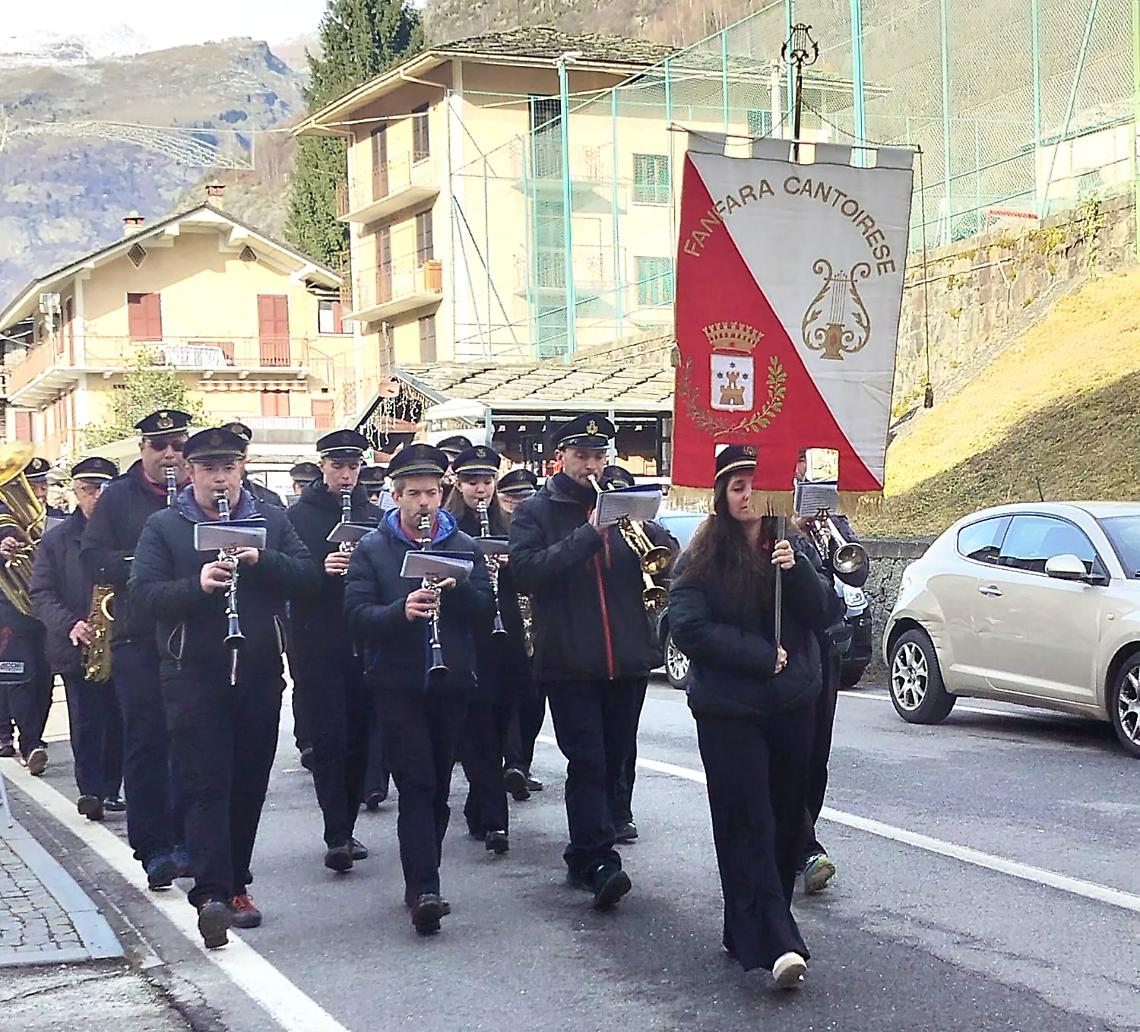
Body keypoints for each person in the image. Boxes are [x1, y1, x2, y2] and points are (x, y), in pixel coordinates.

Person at [130, 426, 319, 949]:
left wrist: (264, 560)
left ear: (242, 469)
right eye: (209, 469)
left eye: (229, 467)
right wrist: (198, 585)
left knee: (249, 782)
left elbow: (308, 578)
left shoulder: (269, 519)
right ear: (191, 472)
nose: (220, 478)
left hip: (258, 672)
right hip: (193, 674)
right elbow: (143, 595)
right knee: (206, 782)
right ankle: (212, 893)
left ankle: (236, 882)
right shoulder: (165, 526)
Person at [667, 445, 834, 988]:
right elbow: (688, 627)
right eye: (736, 485)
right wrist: (758, 656)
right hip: (729, 710)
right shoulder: (701, 557)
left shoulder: (791, 545)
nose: (746, 495)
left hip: (790, 704)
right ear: (721, 494)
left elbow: (826, 614)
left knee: (789, 819)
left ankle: (747, 923)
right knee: (748, 821)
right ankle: (777, 940)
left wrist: (799, 569)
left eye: (754, 485)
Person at [344, 443, 493, 935]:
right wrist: (400, 612)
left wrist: (459, 589)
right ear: (396, 496)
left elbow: (486, 612)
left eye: (431, 493)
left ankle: (424, 876)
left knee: (439, 790)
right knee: (416, 782)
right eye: (413, 494)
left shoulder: (464, 547)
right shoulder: (373, 549)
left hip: (451, 680)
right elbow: (355, 616)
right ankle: (424, 887)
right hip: (397, 682)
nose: (424, 503)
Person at [508, 415, 654, 910]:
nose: (592, 466)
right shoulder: (535, 511)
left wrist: (661, 549)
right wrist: (590, 534)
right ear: (561, 458)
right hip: (569, 659)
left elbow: (656, 562)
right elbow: (526, 573)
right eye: (582, 456)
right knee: (587, 759)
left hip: (627, 657)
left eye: (599, 456)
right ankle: (597, 860)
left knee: (615, 759)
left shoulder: (623, 506)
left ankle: (582, 851)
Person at [81, 409, 192, 890]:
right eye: (159, 446)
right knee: (147, 741)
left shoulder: (197, 496)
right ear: (143, 450)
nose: (169, 454)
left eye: (177, 446)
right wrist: (141, 565)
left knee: (190, 741)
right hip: (137, 636)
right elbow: (91, 556)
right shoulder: (117, 500)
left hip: (190, 635)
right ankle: (154, 847)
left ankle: (188, 836)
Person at [287, 430, 382, 872]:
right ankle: (336, 832)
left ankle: (349, 816)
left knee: (362, 734)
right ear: (322, 466)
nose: (346, 475)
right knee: (330, 737)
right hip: (316, 639)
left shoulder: (374, 515)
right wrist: (320, 570)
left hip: (365, 638)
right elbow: (285, 576)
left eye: (353, 467)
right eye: (338, 467)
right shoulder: (297, 517)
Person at [444, 445, 530, 853]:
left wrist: (510, 567)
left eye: (487, 482)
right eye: (472, 482)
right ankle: (497, 820)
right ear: (458, 485)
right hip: (465, 635)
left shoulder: (512, 524)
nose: (480, 490)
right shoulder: (446, 528)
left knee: (498, 726)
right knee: (475, 730)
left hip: (505, 635)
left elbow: (531, 576)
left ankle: (479, 804)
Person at [30, 457, 123, 820]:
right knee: (86, 721)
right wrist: (71, 624)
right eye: (87, 489)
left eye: (102, 489)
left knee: (122, 719)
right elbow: (41, 593)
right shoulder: (56, 540)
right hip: (76, 644)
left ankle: (113, 788)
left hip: (122, 640)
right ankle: (91, 791)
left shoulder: (126, 534)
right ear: (75, 491)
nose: (96, 497)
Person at [791, 453, 867, 895]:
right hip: (786, 647)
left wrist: (826, 534)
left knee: (817, 753)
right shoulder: (762, 510)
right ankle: (803, 847)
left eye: (801, 460)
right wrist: (794, 535)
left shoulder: (823, 507)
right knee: (793, 753)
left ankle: (801, 839)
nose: (797, 469)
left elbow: (856, 569)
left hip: (825, 646)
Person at [596, 464, 679, 844]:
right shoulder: (594, 534)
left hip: (633, 646)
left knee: (624, 736)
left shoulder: (649, 533)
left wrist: (648, 532)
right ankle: (599, 814)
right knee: (594, 742)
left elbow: (670, 563)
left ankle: (621, 810)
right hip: (593, 649)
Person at [0, 456, 65, 775]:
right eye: (32, 485)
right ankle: (29, 743)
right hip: (12, 611)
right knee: (18, 675)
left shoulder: (55, 520)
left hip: (47, 611)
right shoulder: (3, 519)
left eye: (41, 485)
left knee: (45, 678)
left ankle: (34, 738)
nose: (38, 492)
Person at [495, 467, 544, 797]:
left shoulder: (536, 526)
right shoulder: (493, 525)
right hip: (503, 623)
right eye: (510, 499)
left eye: (523, 498)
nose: (516, 504)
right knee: (508, 698)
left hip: (536, 622)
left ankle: (522, 763)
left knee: (534, 702)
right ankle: (512, 763)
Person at [223, 422, 286, 509]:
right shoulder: (201, 499)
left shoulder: (269, 499)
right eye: (229, 449)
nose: (237, 456)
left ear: (245, 454)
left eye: (240, 449)